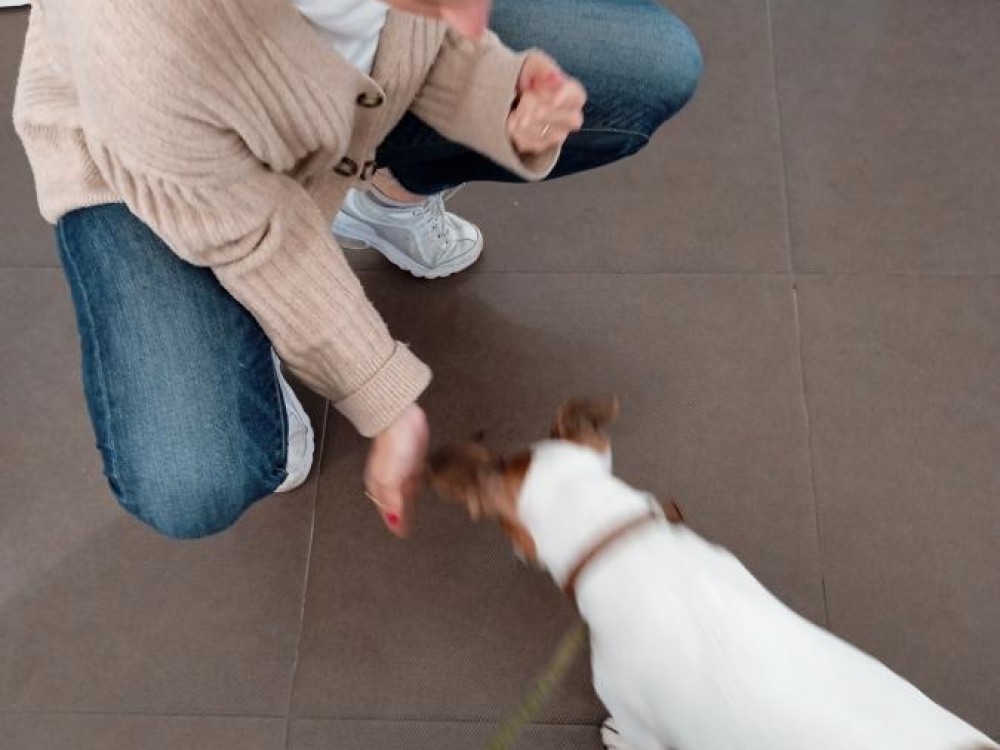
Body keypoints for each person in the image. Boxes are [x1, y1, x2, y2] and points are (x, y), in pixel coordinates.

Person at [14, 0, 702, 540]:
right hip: (152, 165)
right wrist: (381, 397)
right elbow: (261, 239)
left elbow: (426, 43)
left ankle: (380, 196)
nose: (474, 18)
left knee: (650, 64)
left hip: (324, 109)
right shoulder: (142, 32)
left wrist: (500, 97)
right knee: (194, 478)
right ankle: (255, 334)